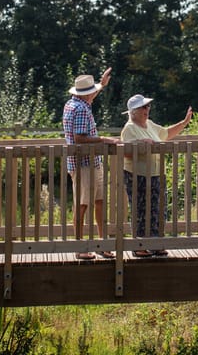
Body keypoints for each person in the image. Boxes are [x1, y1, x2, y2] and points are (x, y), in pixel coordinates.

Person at [120, 94, 193, 257]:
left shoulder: (150, 124)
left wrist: (184, 122)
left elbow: (166, 133)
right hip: (136, 174)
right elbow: (126, 153)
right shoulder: (129, 128)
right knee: (140, 210)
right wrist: (140, 144)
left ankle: (156, 243)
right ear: (133, 111)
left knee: (158, 209)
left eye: (147, 106)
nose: (147, 109)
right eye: (143, 107)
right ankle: (139, 246)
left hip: (156, 174)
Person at [62, 68, 120, 260]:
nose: (94, 95)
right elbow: (79, 138)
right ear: (87, 94)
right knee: (83, 204)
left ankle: (101, 245)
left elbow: (91, 95)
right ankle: (80, 247)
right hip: (84, 164)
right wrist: (104, 140)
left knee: (99, 202)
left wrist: (102, 85)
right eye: (93, 92)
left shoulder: (74, 104)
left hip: (91, 162)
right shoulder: (80, 109)